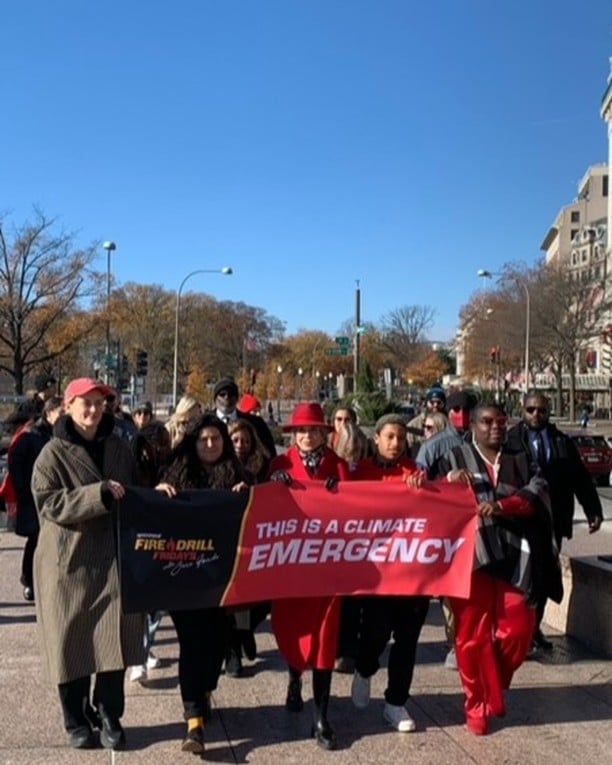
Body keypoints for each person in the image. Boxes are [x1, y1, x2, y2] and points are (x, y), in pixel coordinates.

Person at [31, 377, 144, 751]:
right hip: (70, 563)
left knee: (114, 642)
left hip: (113, 559)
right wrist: (96, 495)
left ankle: (110, 714)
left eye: (100, 403)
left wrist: (154, 494)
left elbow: (135, 488)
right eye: (86, 403)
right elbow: (49, 503)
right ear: (68, 406)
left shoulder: (119, 446)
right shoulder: (53, 453)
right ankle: (75, 719)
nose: (94, 410)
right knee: (73, 645)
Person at [439, 403, 561, 735]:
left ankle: (493, 685)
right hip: (472, 559)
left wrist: (502, 505)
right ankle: (475, 704)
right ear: (473, 426)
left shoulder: (520, 458)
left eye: (501, 422)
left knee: (519, 629)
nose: (496, 427)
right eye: (488, 421)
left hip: (513, 555)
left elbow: (536, 492)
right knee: (471, 637)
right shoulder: (454, 458)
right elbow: (429, 494)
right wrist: (448, 481)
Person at [156, 414, 250, 755]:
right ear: (192, 443)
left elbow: (257, 516)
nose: (210, 445)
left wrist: (246, 496)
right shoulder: (175, 473)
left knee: (216, 644)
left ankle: (205, 689)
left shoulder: (239, 475)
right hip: (185, 579)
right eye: (203, 439)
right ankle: (193, 719)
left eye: (216, 439)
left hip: (224, 580)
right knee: (193, 644)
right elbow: (154, 513)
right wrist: (158, 496)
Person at [268, 402, 349, 750]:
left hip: (327, 570)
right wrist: (273, 483)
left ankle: (321, 717)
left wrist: (343, 492)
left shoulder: (339, 465)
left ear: (324, 434)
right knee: (292, 633)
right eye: (301, 431)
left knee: (325, 642)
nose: (307, 436)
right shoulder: (280, 464)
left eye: (314, 430)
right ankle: (293, 678)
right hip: (291, 568)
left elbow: (360, 511)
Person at [506, 392, 603, 651]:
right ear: (522, 410)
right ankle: (516, 631)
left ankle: (533, 629)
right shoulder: (511, 440)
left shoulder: (561, 441)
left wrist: (592, 508)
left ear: (548, 412)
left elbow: (580, 477)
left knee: (544, 577)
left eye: (541, 410)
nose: (536, 415)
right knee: (520, 578)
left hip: (552, 521)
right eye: (530, 410)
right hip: (519, 522)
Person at [350, 414, 428, 733]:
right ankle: (365, 667)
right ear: (377, 439)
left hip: (412, 574)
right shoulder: (360, 474)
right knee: (376, 634)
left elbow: (436, 510)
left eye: (400, 438)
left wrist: (424, 489)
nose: (395, 444)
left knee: (407, 640)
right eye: (389, 437)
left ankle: (396, 703)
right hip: (377, 575)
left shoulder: (416, 474)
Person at [128, 400, 172, 684]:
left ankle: (143, 651)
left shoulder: (169, 466)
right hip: (137, 541)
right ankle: (138, 656)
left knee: (156, 607)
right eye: (149, 447)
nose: (153, 453)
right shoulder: (130, 465)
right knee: (141, 605)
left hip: (164, 542)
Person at [224, 418, 272, 676]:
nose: (240, 445)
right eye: (235, 440)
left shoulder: (261, 464)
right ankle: (232, 650)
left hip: (256, 538)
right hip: (227, 540)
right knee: (231, 599)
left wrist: (251, 489)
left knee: (263, 599)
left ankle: (246, 631)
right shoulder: (221, 465)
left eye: (245, 440)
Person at [10, 396, 63, 601]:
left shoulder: (61, 435)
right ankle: (29, 580)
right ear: (48, 413)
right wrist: (24, 493)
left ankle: (45, 581)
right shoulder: (30, 436)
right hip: (34, 497)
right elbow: (17, 467)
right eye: (60, 413)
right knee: (35, 540)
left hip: (55, 496)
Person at [416, 390, 478, 478]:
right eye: (456, 409)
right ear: (449, 413)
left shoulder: (480, 440)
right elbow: (420, 478)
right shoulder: (431, 446)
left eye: (466, 409)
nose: (462, 413)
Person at [211, 377, 277, 459]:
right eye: (222, 394)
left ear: (237, 398)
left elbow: (270, 453)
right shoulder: (205, 423)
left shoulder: (256, 423)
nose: (226, 397)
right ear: (215, 399)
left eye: (231, 394)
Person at [405, 385, 446, 453]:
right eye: (432, 402)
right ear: (426, 403)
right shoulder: (414, 424)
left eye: (439, 403)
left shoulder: (449, 423)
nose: (435, 405)